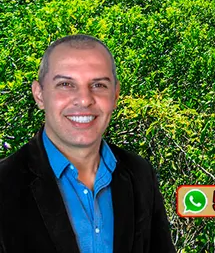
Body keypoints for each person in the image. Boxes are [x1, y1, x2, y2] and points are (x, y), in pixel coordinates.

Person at [0, 34, 176, 253]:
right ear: (39, 95)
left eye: (99, 85)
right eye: (65, 84)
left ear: (115, 95)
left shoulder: (139, 174)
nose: (84, 99)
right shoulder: (5, 184)